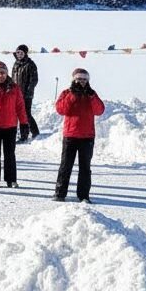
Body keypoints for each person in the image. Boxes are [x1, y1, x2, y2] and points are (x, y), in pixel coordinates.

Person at [52, 68, 105, 202]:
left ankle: (83, 195)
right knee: (65, 166)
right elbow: (61, 109)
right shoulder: (67, 93)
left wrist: (92, 96)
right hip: (70, 135)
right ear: (73, 80)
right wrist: (72, 95)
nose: (81, 82)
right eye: (79, 79)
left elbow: (99, 110)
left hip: (87, 137)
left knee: (85, 168)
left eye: (84, 79)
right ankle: (60, 193)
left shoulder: (91, 94)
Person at [11, 44, 40, 142]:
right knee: (19, 114)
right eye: (18, 52)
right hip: (16, 94)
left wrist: (28, 91)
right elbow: (13, 79)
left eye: (21, 53)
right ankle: (23, 134)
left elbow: (34, 79)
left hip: (27, 94)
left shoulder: (30, 64)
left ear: (25, 53)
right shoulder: (16, 64)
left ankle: (34, 132)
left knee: (26, 114)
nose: (19, 54)